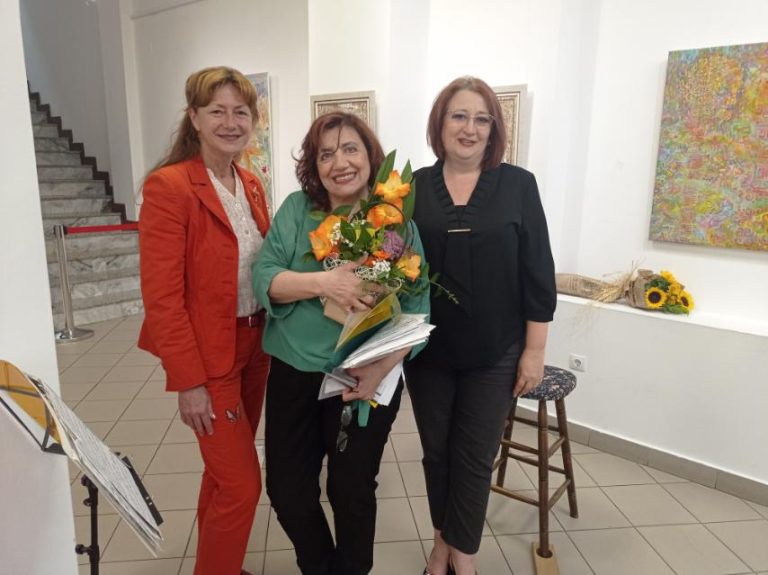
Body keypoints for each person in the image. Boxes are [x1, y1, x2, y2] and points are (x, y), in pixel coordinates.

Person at [252, 111, 430, 575]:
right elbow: (265, 276)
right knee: (288, 491)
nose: (340, 163)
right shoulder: (297, 210)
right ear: (314, 165)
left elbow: (418, 309)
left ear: (370, 156)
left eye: (350, 149)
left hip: (362, 377)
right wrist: (323, 283)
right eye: (326, 154)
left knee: (350, 490)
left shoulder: (395, 223)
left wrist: (381, 368)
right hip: (294, 370)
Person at [404, 76, 557, 575]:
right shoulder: (411, 189)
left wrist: (534, 351)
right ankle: (441, 544)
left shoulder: (518, 185)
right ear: (440, 123)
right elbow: (393, 266)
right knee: (436, 453)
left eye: (481, 119)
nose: (469, 129)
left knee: (474, 456)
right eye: (459, 116)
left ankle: (462, 557)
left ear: (494, 130)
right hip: (426, 351)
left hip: (496, 351)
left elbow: (538, 272)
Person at [137, 66, 270, 575]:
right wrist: (188, 382)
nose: (231, 122)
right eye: (217, 111)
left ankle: (216, 565)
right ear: (194, 117)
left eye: (241, 112)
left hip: (256, 347)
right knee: (242, 484)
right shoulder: (170, 186)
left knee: (221, 475)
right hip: (209, 357)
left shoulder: (250, 183)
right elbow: (163, 298)